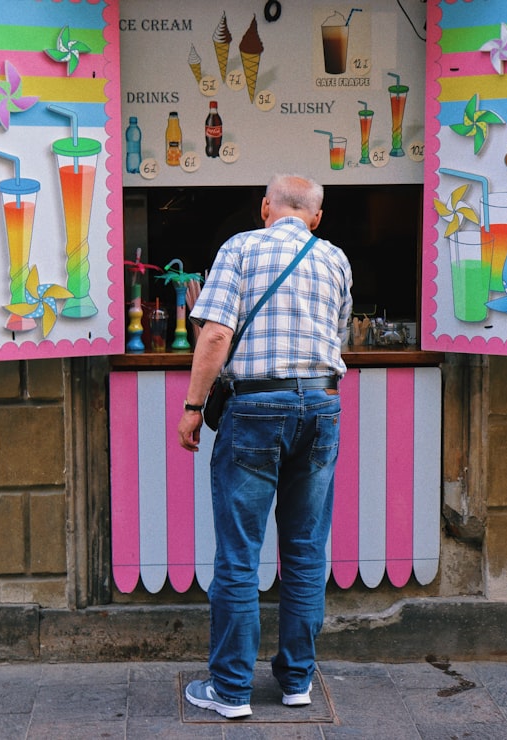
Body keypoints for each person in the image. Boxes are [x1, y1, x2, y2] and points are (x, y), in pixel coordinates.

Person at [177, 174, 353, 719]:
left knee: (239, 554)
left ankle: (230, 690)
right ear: (316, 217)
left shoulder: (241, 247)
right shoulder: (336, 259)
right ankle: (297, 681)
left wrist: (191, 407)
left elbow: (214, 335)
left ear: (265, 208)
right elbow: (338, 333)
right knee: (304, 552)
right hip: (320, 407)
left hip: (255, 408)